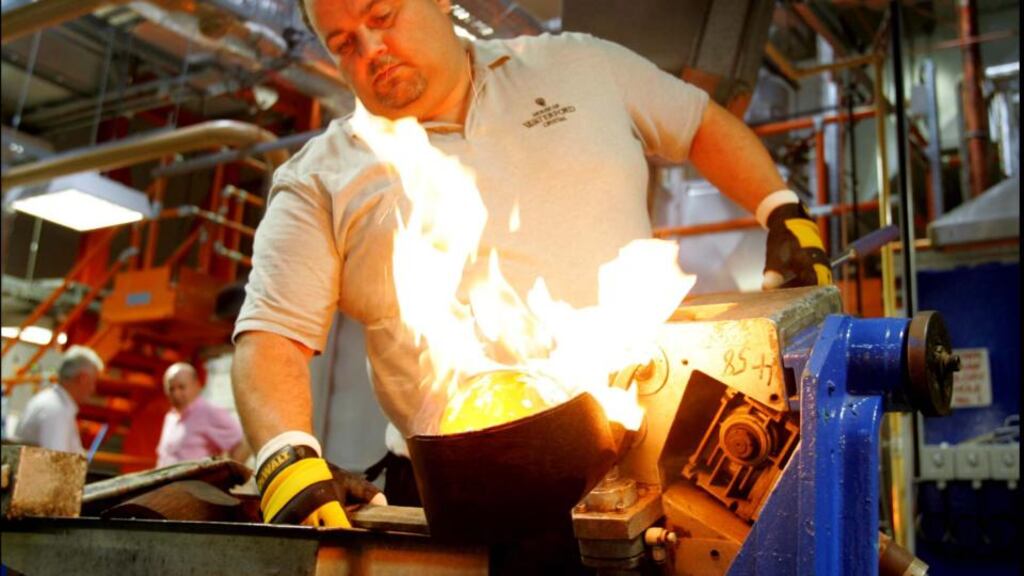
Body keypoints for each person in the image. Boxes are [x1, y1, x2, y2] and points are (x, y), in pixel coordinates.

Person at [232, 0, 831, 531]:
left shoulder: (577, 66)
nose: (371, 49)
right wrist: (286, 454)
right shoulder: (320, 177)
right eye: (343, 44)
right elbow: (271, 339)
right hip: (459, 497)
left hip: (643, 460)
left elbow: (698, 121)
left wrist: (782, 212)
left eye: (382, 17)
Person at [155, 362, 250, 467]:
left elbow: (243, 442)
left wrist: (228, 475)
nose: (176, 394)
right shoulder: (170, 418)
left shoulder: (209, 412)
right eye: (171, 389)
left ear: (196, 385)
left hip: (195, 482)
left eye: (181, 387)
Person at [15, 345, 103, 454]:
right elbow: (55, 464)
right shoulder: (56, 410)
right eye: (93, 382)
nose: (93, 389)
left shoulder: (50, 402)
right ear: (82, 378)